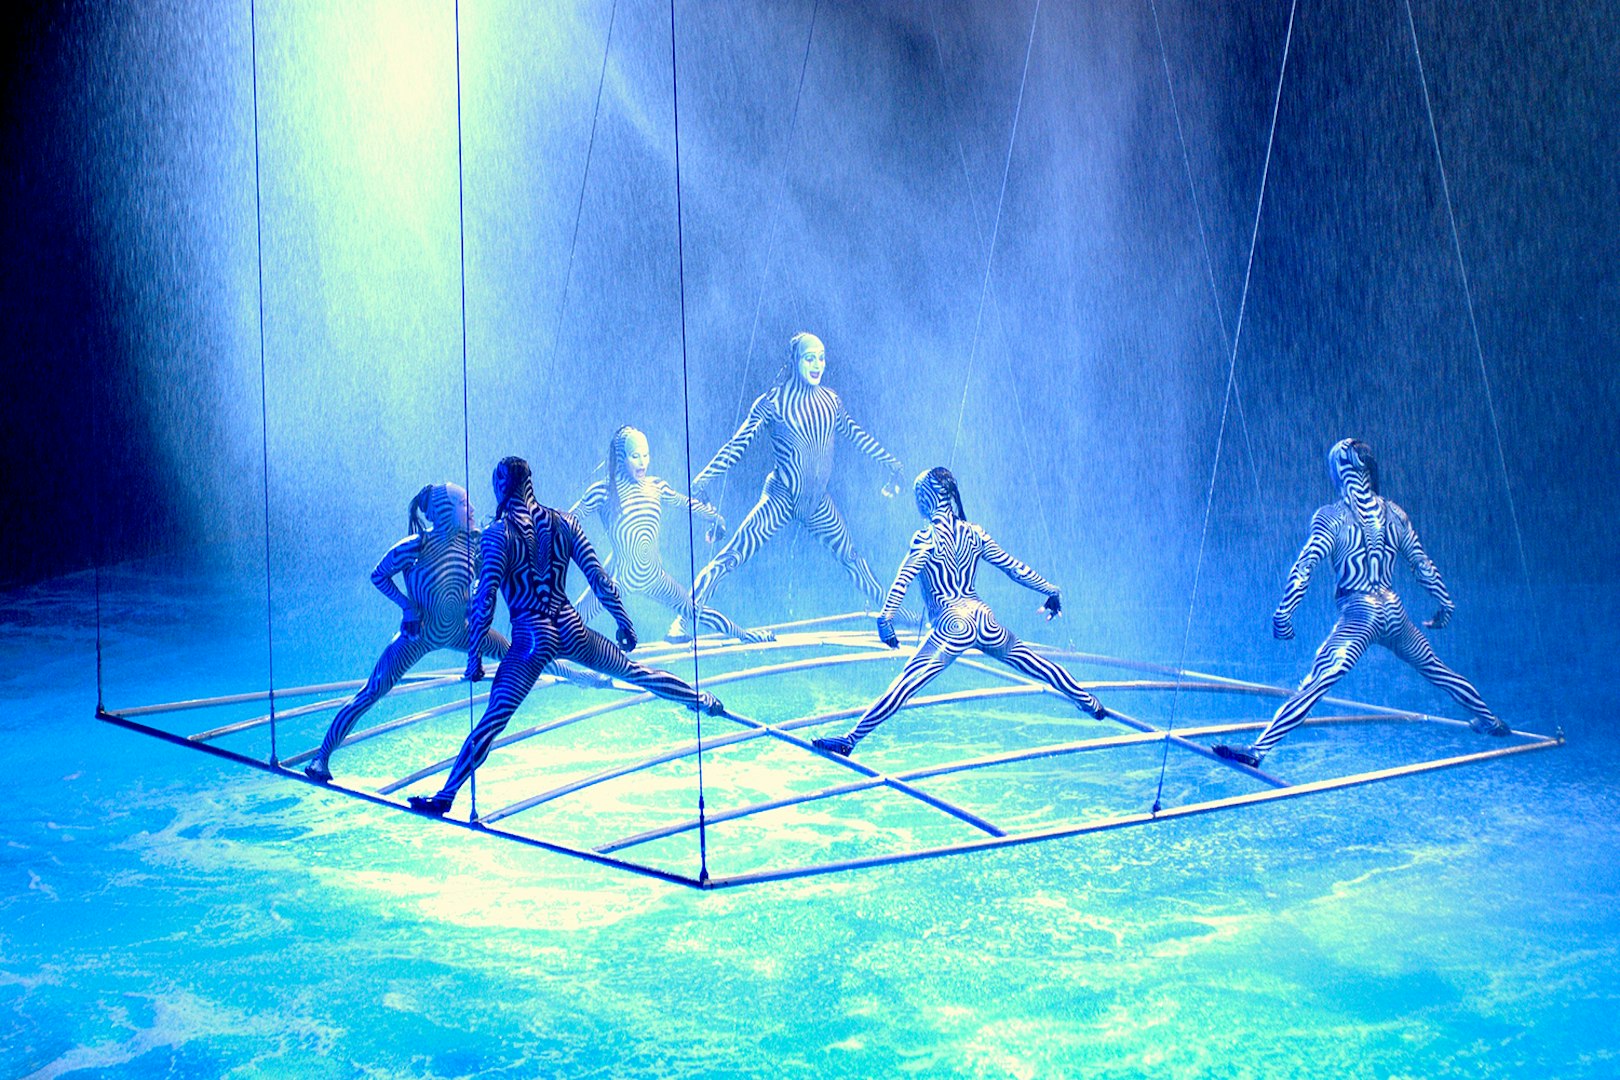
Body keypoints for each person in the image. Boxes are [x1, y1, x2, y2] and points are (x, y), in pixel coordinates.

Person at [408, 457, 723, 817]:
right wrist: (623, 621)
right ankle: (701, 700)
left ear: (501, 485)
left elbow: (485, 599)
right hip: (571, 627)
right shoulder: (565, 522)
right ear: (530, 483)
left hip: (532, 637)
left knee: (493, 720)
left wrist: (474, 656)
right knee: (638, 673)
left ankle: (446, 796)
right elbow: (599, 579)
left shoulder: (498, 534)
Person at [1213, 439, 1510, 768]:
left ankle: (1258, 750)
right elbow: (1421, 563)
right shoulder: (1395, 513)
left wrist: (1284, 611)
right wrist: (1445, 602)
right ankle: (1490, 720)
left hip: (1360, 612)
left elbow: (1305, 565)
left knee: (1318, 680)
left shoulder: (1333, 517)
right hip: (1393, 611)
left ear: (1339, 472)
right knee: (1436, 669)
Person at [304, 483, 606, 783]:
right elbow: (378, 575)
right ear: (443, 511)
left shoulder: (475, 546)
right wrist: (407, 608)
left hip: (462, 632)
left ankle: (577, 676)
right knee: (372, 690)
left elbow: (485, 585)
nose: (472, 509)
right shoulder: (416, 546)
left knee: (524, 652)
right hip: (419, 635)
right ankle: (321, 758)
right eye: (463, 504)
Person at [812, 467, 1108, 757]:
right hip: (983, 618)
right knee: (1037, 664)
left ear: (927, 498)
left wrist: (885, 617)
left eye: (918, 494)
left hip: (953, 623)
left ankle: (850, 740)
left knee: (905, 684)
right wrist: (1051, 590)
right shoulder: (974, 533)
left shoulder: (926, 538)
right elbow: (1014, 568)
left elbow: (904, 577)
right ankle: (1089, 702)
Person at [680, 332, 906, 633]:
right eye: (809, 358)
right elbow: (737, 446)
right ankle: (683, 619)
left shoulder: (831, 401)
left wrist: (892, 464)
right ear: (794, 361)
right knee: (732, 555)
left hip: (817, 503)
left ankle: (892, 613)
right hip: (781, 498)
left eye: (821, 358)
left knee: (851, 557)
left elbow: (856, 434)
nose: (817, 365)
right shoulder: (772, 403)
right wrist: (702, 479)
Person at [572, 426, 773, 644]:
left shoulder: (655, 486)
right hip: (620, 580)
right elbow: (566, 520)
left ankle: (745, 635)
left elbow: (685, 503)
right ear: (622, 458)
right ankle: (547, 654)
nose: (642, 463)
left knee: (693, 610)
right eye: (635, 456)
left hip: (654, 578)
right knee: (573, 622)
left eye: (646, 455)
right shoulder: (603, 492)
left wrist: (715, 518)